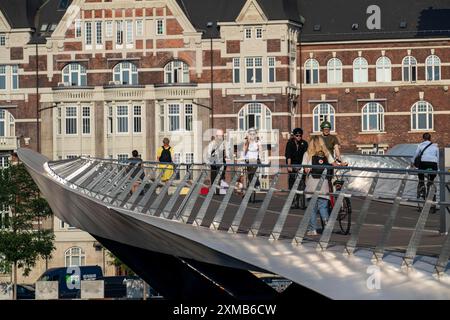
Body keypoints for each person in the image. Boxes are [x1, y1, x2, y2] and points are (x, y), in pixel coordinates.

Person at [302, 135, 338, 236]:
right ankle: (326, 225)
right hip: (324, 183)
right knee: (323, 207)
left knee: (311, 208)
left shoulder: (307, 154)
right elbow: (334, 164)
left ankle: (312, 229)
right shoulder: (326, 154)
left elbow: (305, 169)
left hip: (311, 183)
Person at [285, 128, 308, 209]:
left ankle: (302, 201)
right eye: (297, 135)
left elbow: (306, 155)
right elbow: (288, 156)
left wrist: (305, 167)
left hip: (301, 164)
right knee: (292, 183)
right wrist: (289, 166)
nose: (299, 137)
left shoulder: (304, 143)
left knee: (302, 183)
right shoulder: (290, 143)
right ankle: (293, 201)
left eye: (300, 135)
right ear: (294, 136)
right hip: (293, 164)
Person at [207, 129, 227, 194]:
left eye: (222, 136)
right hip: (214, 162)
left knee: (221, 175)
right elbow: (209, 153)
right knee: (213, 175)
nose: (221, 137)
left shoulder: (223, 143)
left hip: (221, 161)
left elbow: (225, 152)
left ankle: (220, 189)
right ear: (217, 136)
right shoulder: (212, 143)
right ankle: (214, 189)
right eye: (220, 136)